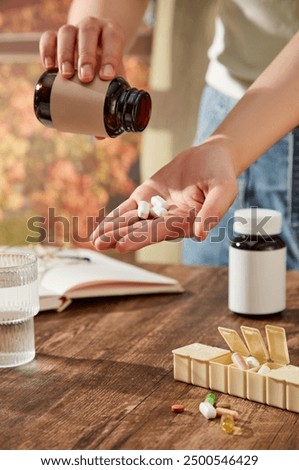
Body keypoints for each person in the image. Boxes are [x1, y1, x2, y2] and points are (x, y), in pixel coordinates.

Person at [40, 0, 299, 269]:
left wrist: (227, 145)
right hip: (232, 110)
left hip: (239, 129)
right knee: (210, 302)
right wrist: (96, 36)